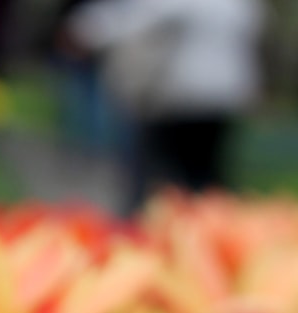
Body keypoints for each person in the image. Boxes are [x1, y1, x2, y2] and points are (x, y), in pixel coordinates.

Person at [66, 0, 265, 212]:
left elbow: (135, 19)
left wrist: (83, 31)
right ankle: (207, 221)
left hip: (181, 95)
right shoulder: (240, 5)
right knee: (205, 169)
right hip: (225, 94)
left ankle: (156, 220)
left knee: (154, 168)